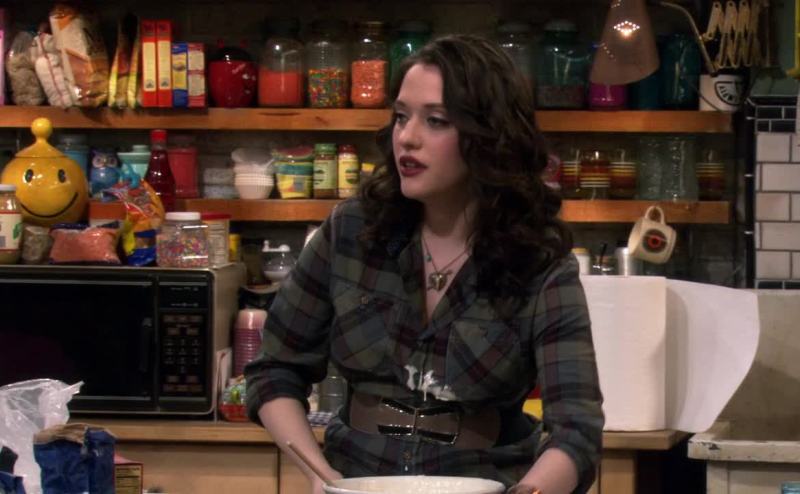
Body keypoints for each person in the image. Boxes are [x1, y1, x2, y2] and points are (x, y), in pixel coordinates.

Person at [245, 34, 604, 494]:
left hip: (485, 483)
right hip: (357, 480)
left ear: (489, 137)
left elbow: (576, 431)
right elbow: (274, 369)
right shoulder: (353, 231)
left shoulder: (538, 262)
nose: (407, 137)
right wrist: (323, 477)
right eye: (401, 116)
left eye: (435, 120)